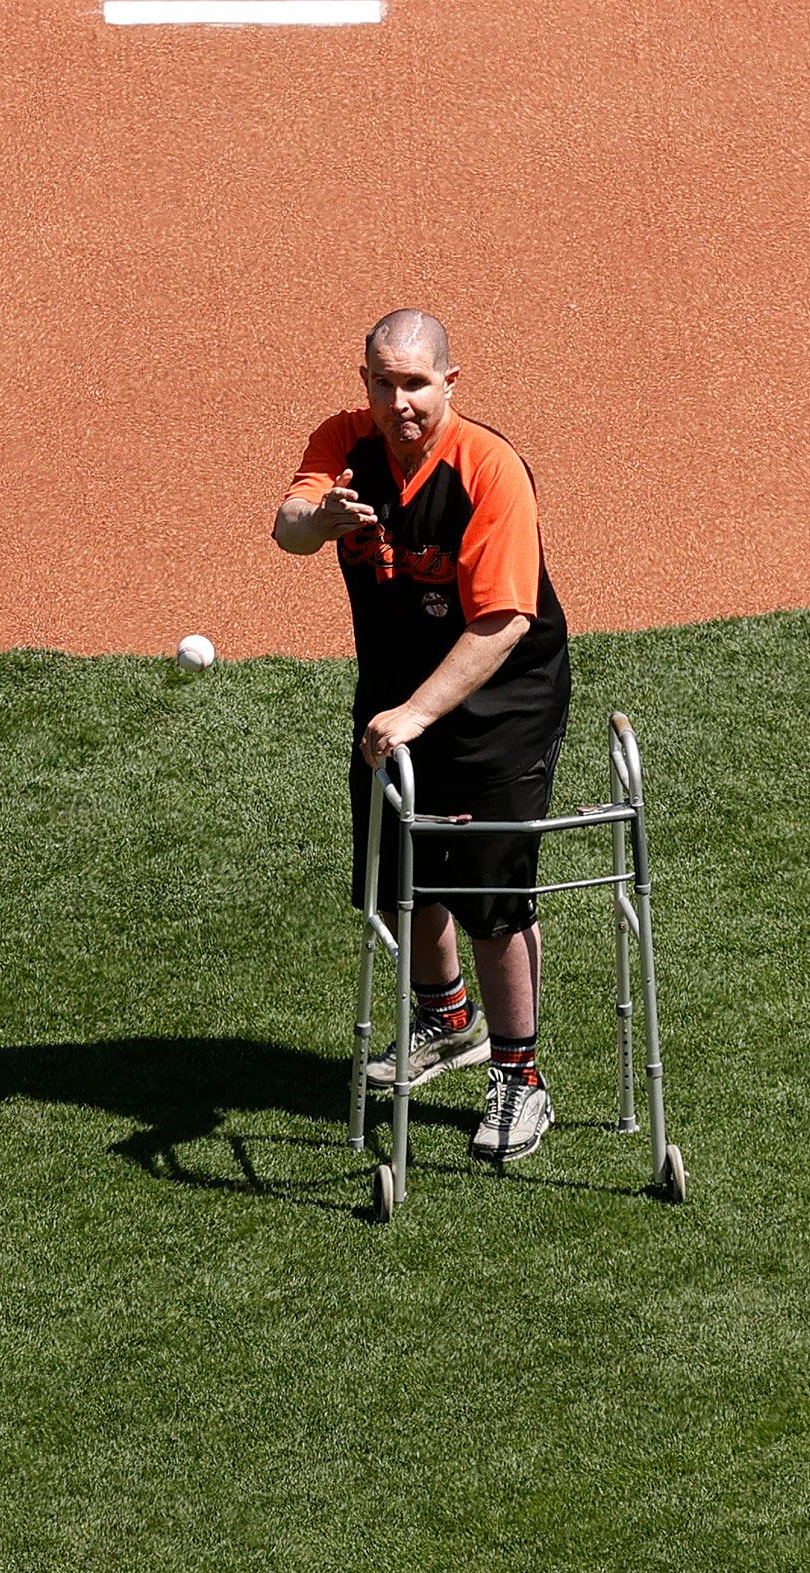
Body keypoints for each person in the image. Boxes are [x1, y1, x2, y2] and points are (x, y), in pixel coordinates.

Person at [272, 309, 574, 1163]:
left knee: (491, 892)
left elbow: (503, 623)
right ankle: (448, 1025)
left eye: (415, 383)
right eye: (383, 381)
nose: (398, 400)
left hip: (500, 699)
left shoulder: (489, 470)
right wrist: (320, 520)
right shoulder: (343, 441)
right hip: (396, 688)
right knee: (397, 866)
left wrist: (413, 715)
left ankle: (522, 1080)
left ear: (450, 383)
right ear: (363, 382)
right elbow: (286, 527)